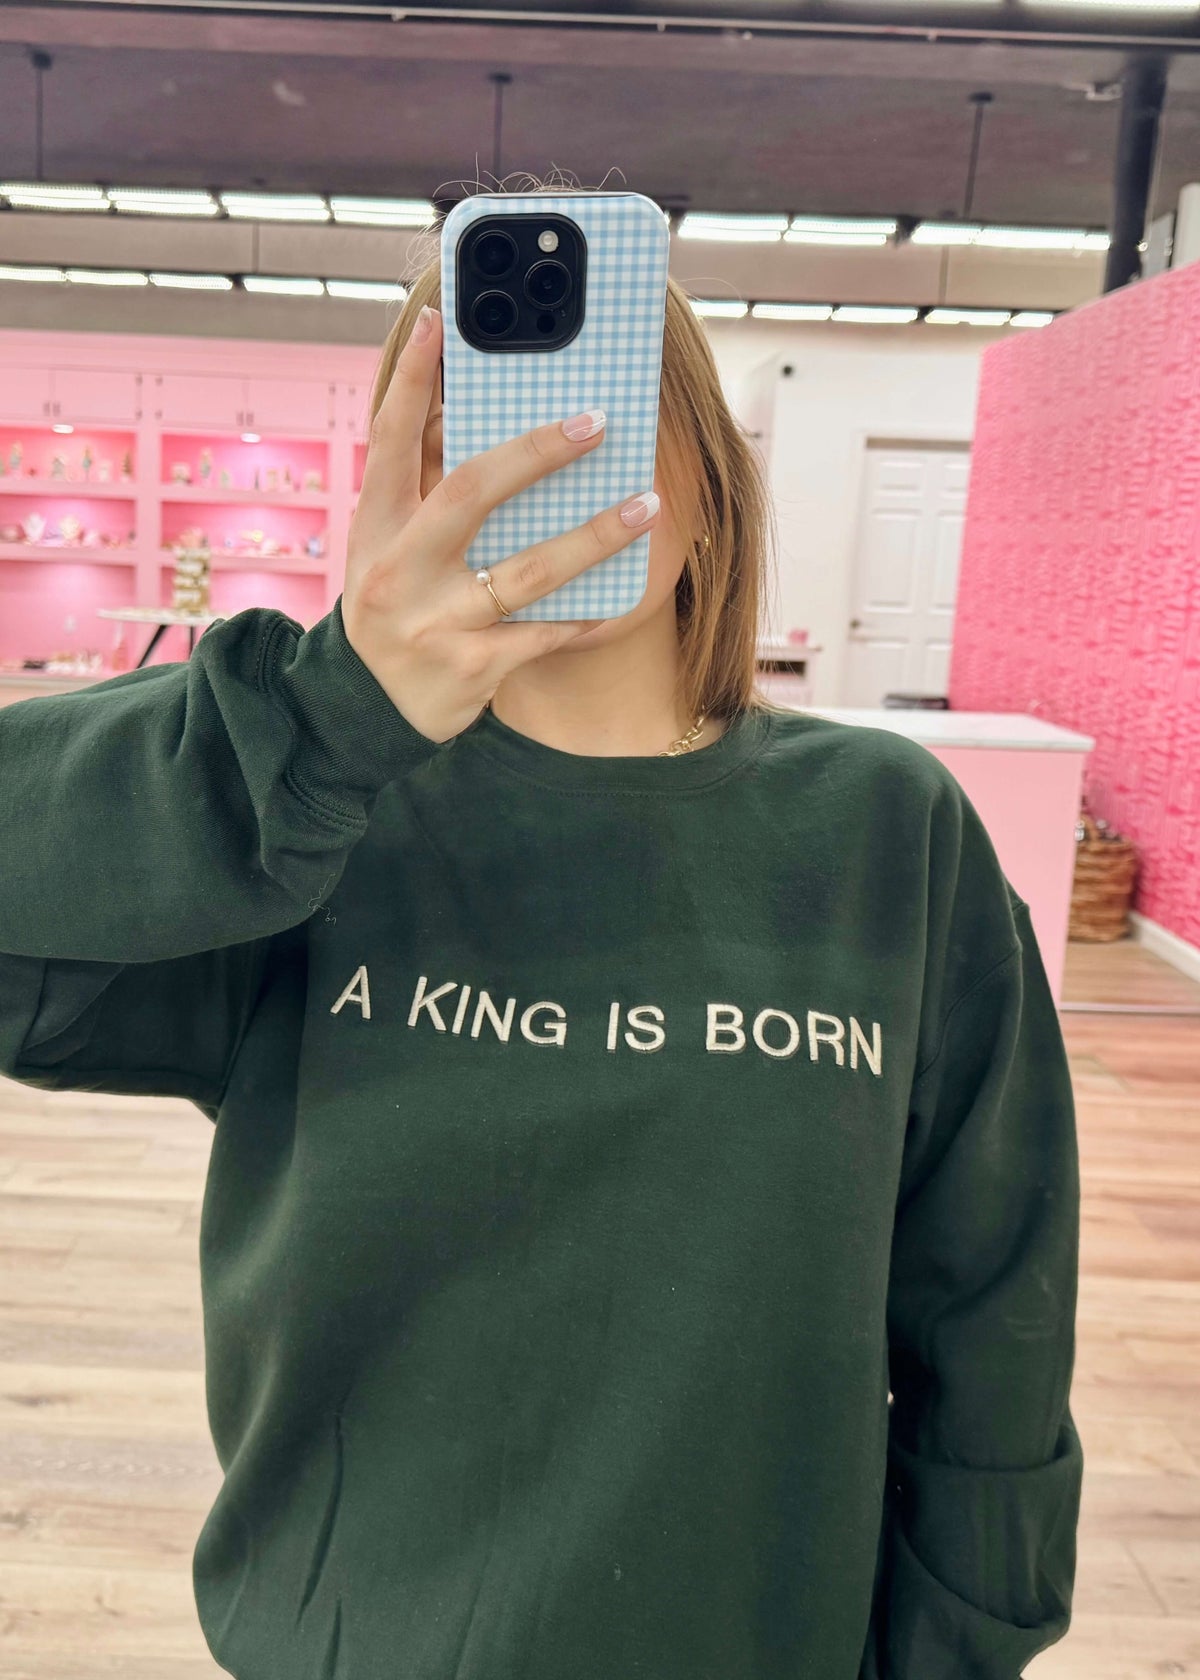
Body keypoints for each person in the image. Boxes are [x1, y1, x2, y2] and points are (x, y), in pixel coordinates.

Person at [0, 185, 1082, 1680]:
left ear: (711, 470)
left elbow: (993, 1309)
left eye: (604, 405)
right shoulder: (310, 821)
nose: (551, 454)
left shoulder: (888, 834)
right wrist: (324, 717)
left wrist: (956, 1650)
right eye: (479, 425)